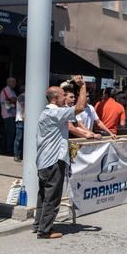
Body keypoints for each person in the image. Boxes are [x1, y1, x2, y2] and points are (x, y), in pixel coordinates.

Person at [34, 76, 87, 239]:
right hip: (54, 160)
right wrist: (83, 86)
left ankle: (39, 225)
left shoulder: (48, 112)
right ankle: (45, 230)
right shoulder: (55, 112)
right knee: (52, 196)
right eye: (63, 95)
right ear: (56, 98)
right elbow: (80, 107)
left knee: (43, 194)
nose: (66, 98)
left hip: (44, 160)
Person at [0, 77, 18, 155]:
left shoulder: (12, 91)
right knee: (10, 133)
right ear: (8, 82)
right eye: (12, 81)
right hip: (8, 115)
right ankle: (9, 150)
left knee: (9, 133)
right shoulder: (7, 89)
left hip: (11, 114)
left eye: (15, 81)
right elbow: (13, 99)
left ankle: (7, 149)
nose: (14, 83)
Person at [14, 86, 25, 162]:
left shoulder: (22, 96)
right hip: (21, 120)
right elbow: (23, 107)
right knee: (19, 138)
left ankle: (19, 155)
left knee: (20, 138)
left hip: (22, 119)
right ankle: (17, 155)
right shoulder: (22, 96)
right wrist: (24, 117)